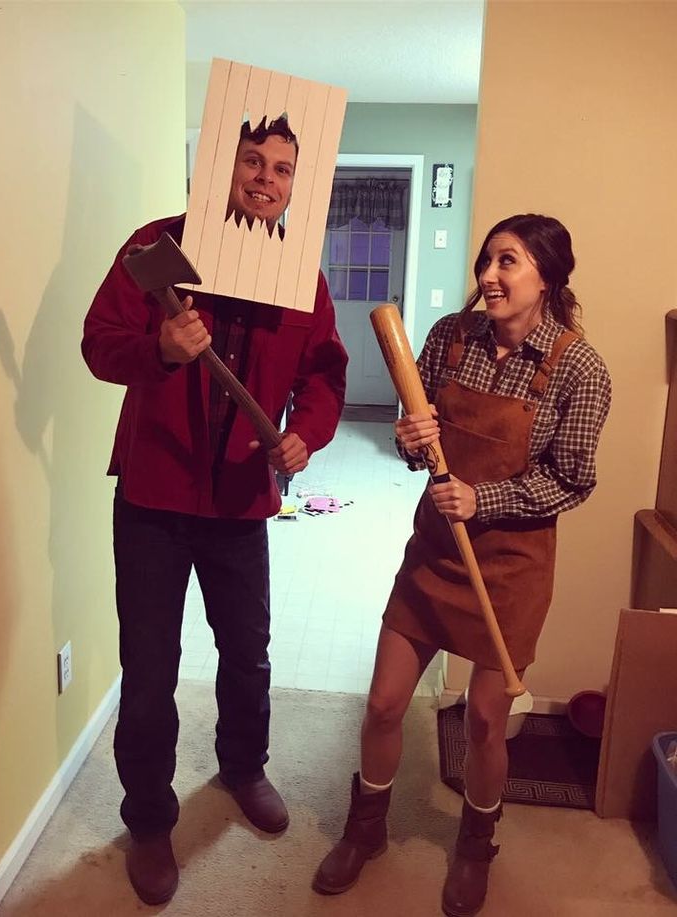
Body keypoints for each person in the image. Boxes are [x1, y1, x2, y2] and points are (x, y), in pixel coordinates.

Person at [82, 115, 347, 906]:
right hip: (154, 497)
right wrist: (160, 347)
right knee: (152, 667)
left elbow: (326, 375)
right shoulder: (155, 247)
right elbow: (100, 342)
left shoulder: (301, 276)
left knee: (249, 648)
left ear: (296, 185)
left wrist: (305, 432)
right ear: (219, 170)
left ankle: (242, 764)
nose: (265, 179)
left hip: (241, 500)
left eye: (282, 169)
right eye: (252, 162)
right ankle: (152, 820)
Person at [313, 213, 610, 916]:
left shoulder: (579, 367)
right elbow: (418, 448)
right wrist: (413, 438)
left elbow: (574, 479)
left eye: (508, 262)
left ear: (549, 276)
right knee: (384, 701)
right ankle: (367, 829)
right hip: (437, 551)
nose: (489, 276)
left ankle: (476, 844)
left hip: (511, 565)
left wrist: (486, 497)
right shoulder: (450, 336)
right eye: (486, 261)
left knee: (482, 720)